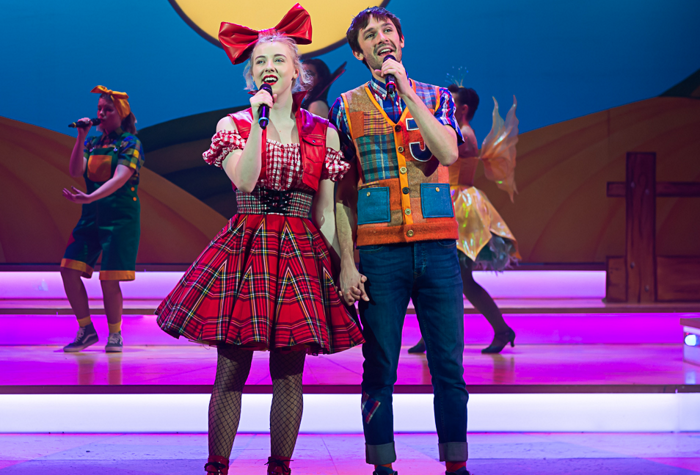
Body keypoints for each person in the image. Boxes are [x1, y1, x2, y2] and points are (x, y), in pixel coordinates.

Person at [155, 5, 364, 475]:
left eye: (278, 60)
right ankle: (217, 465)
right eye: (259, 63)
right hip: (246, 248)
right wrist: (260, 126)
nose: (269, 68)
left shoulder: (324, 133)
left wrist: (342, 266)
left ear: (298, 71)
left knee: (289, 372)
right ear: (250, 76)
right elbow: (246, 182)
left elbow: (327, 211)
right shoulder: (236, 126)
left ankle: (280, 466)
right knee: (232, 367)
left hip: (299, 250)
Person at [330, 7, 470, 475]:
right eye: (369, 36)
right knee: (380, 365)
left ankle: (456, 463)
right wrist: (347, 262)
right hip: (379, 253)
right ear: (358, 50)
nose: (380, 39)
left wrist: (407, 90)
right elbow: (342, 195)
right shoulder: (345, 107)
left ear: (401, 41)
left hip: (437, 249)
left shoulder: (436, 98)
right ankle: (382, 465)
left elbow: (448, 151)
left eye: (387, 30)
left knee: (448, 366)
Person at [409, 85, 520, 355]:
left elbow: (441, 152)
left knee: (459, 279)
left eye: (450, 101)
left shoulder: (465, 133)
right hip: (448, 200)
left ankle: (499, 329)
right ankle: (433, 333)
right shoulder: (458, 130)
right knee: (436, 276)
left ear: (463, 108)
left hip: (459, 206)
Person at [61, 86, 143, 353]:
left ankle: (115, 334)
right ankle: (86, 329)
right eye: (99, 109)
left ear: (120, 114)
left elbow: (120, 178)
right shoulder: (93, 143)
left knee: (109, 278)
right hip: (91, 216)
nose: (101, 114)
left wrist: (89, 197)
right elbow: (75, 171)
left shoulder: (130, 143)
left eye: (108, 110)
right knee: (69, 268)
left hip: (119, 218)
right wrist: (80, 136)